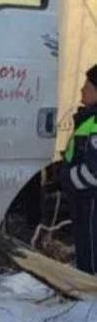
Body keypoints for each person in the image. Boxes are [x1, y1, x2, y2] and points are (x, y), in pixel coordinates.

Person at [61, 64, 97, 273]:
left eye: (87, 85)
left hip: (89, 197)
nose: (82, 90)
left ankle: (90, 289)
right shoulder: (88, 118)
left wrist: (71, 181)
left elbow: (94, 170)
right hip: (84, 195)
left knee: (90, 244)